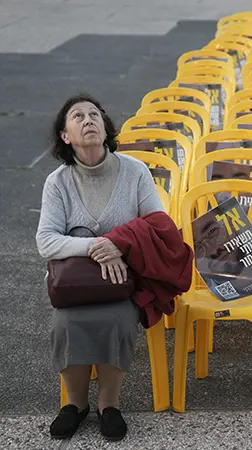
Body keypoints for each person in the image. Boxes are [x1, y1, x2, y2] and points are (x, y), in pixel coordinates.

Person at [36, 94, 164, 441]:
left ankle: (109, 403)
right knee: (65, 323)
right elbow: (46, 240)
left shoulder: (135, 171)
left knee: (117, 320)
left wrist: (119, 245)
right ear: (65, 136)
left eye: (94, 114)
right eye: (77, 116)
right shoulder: (58, 182)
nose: (88, 119)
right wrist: (97, 247)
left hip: (122, 280)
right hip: (73, 283)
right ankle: (75, 404)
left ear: (106, 129)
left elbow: (158, 224)